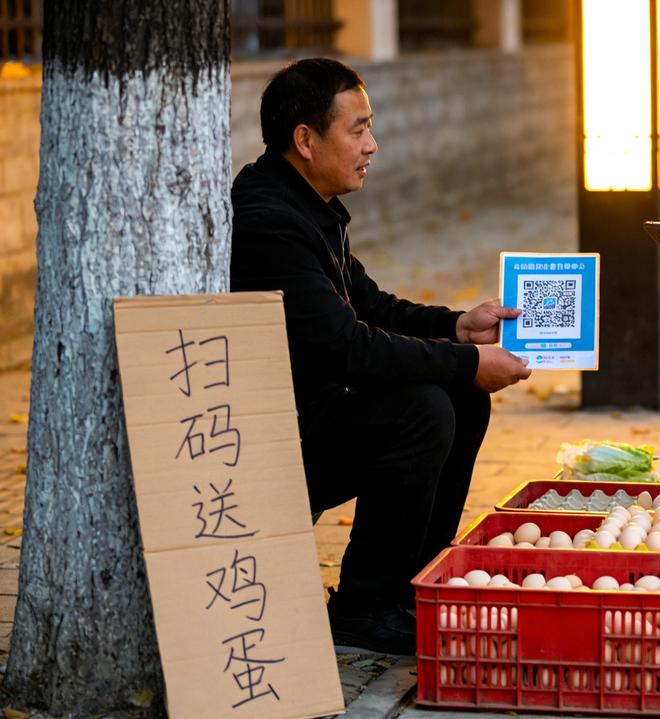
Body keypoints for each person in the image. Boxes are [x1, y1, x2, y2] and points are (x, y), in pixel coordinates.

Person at [230, 58, 532, 655]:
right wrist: (468, 363)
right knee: (421, 408)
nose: (373, 144)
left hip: (312, 417)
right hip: (265, 444)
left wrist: (457, 327)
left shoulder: (306, 203)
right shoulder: (269, 222)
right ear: (306, 140)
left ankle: (410, 588)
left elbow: (371, 305)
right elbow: (348, 347)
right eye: (358, 129)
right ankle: (364, 606)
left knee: (457, 399)